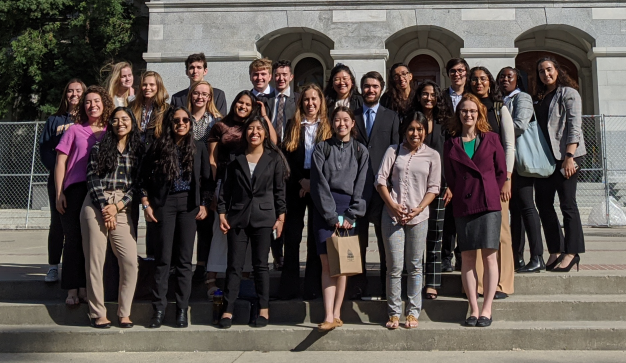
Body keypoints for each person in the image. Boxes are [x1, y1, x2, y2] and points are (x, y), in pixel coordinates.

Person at [140, 107, 211, 329]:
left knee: (184, 259)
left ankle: (182, 309)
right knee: (163, 259)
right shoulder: (159, 146)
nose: (181, 123)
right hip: (165, 203)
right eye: (176, 120)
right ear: (170, 123)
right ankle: (159, 309)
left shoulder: (198, 147)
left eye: (185, 120)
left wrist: (205, 204)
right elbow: (142, 178)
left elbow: (207, 180)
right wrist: (146, 203)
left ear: (190, 123)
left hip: (188, 206)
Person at [217, 116, 288, 329]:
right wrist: (221, 212)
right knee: (234, 266)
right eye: (250, 128)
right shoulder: (235, 157)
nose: (254, 132)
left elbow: (279, 190)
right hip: (237, 217)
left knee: (261, 266)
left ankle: (263, 310)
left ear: (265, 133)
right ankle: (227, 310)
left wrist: (281, 216)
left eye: (259, 128)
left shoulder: (273, 158)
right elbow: (225, 189)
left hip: (264, 217)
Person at [444, 94, 507, 327]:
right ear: (458, 114)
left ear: (479, 113)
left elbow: (501, 171)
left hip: (488, 204)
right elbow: (450, 175)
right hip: (464, 203)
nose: (468, 115)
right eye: (464, 111)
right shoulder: (451, 143)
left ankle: (487, 308)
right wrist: (462, 191)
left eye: (472, 111)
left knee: (490, 257)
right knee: (467, 257)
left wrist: (490, 190)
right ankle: (473, 307)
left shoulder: (491, 138)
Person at [376, 112, 441, 329]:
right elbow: (380, 181)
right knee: (394, 267)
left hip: (419, 217)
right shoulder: (393, 151)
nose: (415, 133)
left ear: (425, 131)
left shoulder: (432, 155)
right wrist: (392, 205)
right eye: (412, 129)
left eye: (420, 129)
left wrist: (418, 209)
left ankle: (413, 312)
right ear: (405, 130)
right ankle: (394, 313)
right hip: (392, 217)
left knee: (414, 266)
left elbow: (434, 188)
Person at [206, 91, 274, 296]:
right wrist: (215, 191)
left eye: (247, 104)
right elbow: (212, 159)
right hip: (226, 184)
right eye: (240, 102)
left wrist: (263, 115)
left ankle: (242, 280)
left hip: (249, 188)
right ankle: (211, 280)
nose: (243, 106)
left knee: (245, 232)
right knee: (221, 232)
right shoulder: (220, 126)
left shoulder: (253, 127)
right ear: (234, 103)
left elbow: (274, 142)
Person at [82, 107, 141, 329]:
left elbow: (138, 185)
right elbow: (91, 178)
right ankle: (98, 312)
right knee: (95, 261)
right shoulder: (99, 148)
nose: (120, 123)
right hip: (96, 204)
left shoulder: (138, 151)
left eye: (124, 119)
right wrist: (105, 206)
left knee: (129, 261)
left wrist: (117, 206)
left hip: (122, 205)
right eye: (115, 120)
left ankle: (124, 312)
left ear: (132, 123)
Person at [310, 106, 369, 331]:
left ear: (353, 124)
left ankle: (337, 313)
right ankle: (327, 314)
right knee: (327, 264)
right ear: (331, 123)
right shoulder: (321, 148)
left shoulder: (360, 150)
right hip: (325, 209)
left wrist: (352, 214)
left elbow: (362, 184)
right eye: (337, 120)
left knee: (343, 264)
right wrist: (331, 215)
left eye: (346, 120)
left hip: (349, 209)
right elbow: (318, 184)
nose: (341, 124)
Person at [55, 86, 113, 306]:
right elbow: (61, 162)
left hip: (100, 190)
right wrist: (60, 192)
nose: (92, 105)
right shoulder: (74, 130)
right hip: (75, 188)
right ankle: (72, 287)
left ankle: (89, 287)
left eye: (96, 101)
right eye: (88, 102)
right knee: (73, 239)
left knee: (95, 242)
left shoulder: (111, 130)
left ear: (104, 103)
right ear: (83, 106)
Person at [278, 84, 332, 301]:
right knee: (292, 236)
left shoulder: (328, 126)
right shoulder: (293, 125)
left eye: (314, 99)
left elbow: (330, 159)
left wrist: (313, 183)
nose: (310, 103)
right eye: (306, 99)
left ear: (321, 102)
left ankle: (312, 287)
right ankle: (289, 288)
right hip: (296, 185)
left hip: (319, 187)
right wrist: (301, 180)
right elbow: (286, 156)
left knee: (315, 239)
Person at [533, 57, 586, 273]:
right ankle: (555, 249)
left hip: (566, 156)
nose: (546, 74)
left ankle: (572, 253)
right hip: (546, 159)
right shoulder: (541, 97)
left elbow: (574, 125)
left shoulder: (568, 93)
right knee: (544, 204)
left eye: (549, 69)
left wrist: (569, 156)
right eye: (541, 71)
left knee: (567, 205)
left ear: (557, 71)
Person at [468, 66, 515, 299]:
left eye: (483, 79)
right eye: (474, 79)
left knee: (501, 232)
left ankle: (503, 283)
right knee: (477, 232)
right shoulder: (466, 109)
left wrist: (507, 178)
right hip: (473, 182)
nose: (478, 83)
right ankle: (479, 284)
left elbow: (509, 146)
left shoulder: (499, 108)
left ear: (490, 83)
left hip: (497, 180)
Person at [352, 71, 400, 300]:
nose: (370, 90)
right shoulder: (351, 116)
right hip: (357, 189)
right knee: (357, 241)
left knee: (385, 242)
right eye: (366, 86)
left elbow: (396, 152)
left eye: (374, 86)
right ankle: (358, 287)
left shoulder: (391, 117)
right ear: (361, 89)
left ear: (381, 89)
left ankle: (384, 289)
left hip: (383, 189)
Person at [497, 67, 544, 273]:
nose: (505, 80)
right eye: (502, 77)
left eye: (510, 77)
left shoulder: (522, 98)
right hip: (509, 163)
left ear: (518, 80)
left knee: (526, 205)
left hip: (521, 160)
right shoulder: (502, 100)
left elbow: (520, 125)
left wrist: (495, 134)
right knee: (514, 210)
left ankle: (537, 256)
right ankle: (517, 257)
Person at [39, 78, 86, 283]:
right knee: (57, 223)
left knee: (79, 225)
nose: (74, 94)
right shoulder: (54, 120)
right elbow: (45, 150)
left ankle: (78, 268)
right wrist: (59, 170)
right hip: (59, 179)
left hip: (79, 180)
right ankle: (52, 266)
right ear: (65, 94)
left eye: (78, 91)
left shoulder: (87, 120)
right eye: (70, 91)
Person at [413, 81, 452, 299]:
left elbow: (451, 155)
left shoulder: (444, 123)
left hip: (439, 184)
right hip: (414, 184)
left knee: (436, 234)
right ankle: (414, 280)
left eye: (432, 95)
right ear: (418, 97)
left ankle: (432, 282)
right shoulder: (410, 120)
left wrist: (451, 185)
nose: (429, 98)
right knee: (416, 234)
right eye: (424, 94)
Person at [186, 80, 223, 282]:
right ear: (191, 95)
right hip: (185, 175)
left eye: (205, 94)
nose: (200, 97)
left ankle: (202, 265)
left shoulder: (216, 121)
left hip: (207, 176)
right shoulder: (183, 118)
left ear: (210, 97)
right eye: (196, 93)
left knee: (206, 223)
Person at [268, 59, 300, 269]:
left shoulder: (298, 101)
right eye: (277, 75)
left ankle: (290, 258)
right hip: (270, 161)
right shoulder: (266, 100)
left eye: (284, 75)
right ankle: (276, 254)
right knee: (272, 211)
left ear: (291, 77)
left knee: (291, 213)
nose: (280, 78)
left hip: (293, 162)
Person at [441, 58, 469, 272]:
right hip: (448, 155)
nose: (457, 74)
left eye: (460, 70)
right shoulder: (442, 97)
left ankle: (463, 254)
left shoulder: (472, 98)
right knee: (448, 211)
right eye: (453, 71)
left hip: (470, 156)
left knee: (467, 210)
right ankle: (445, 256)